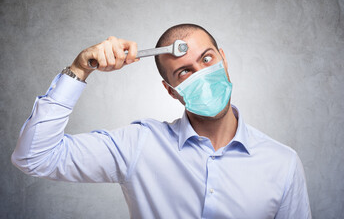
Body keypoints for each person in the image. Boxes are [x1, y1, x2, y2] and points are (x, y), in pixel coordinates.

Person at [12, 24, 311, 218]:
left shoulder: (282, 164)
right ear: (171, 90)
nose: (201, 74)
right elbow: (35, 157)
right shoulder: (138, 145)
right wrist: (80, 68)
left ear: (223, 59)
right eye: (184, 72)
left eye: (207, 60)